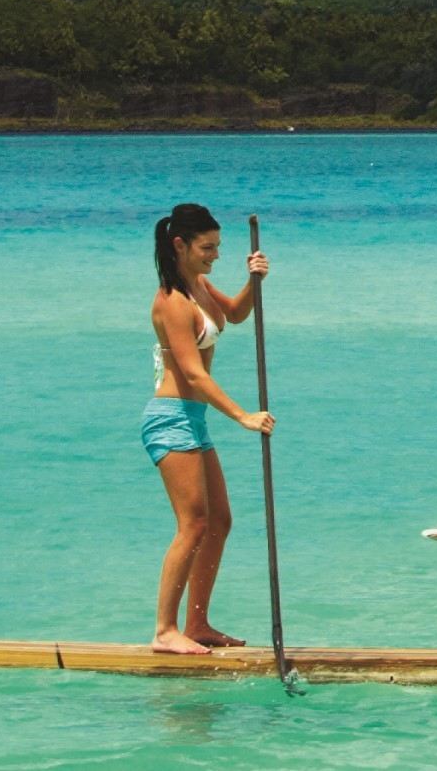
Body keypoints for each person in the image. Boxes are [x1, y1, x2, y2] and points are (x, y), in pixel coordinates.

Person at [144, 203, 269, 653]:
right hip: (171, 419)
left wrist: (252, 280)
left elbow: (234, 315)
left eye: (218, 246)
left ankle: (197, 624)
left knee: (220, 521)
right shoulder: (171, 302)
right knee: (193, 524)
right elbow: (194, 374)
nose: (215, 254)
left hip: (192, 419)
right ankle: (165, 630)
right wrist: (242, 416)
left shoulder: (198, 286)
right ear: (180, 245)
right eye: (207, 247)